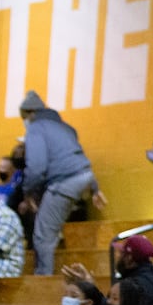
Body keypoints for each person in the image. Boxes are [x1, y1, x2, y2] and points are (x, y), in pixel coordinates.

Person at [18, 90, 104, 275]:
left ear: (30, 113)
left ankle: (43, 284)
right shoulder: (65, 128)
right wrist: (95, 188)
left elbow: (36, 167)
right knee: (51, 226)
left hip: (65, 182)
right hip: (85, 176)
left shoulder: (36, 128)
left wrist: (27, 193)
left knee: (43, 236)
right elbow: (78, 157)